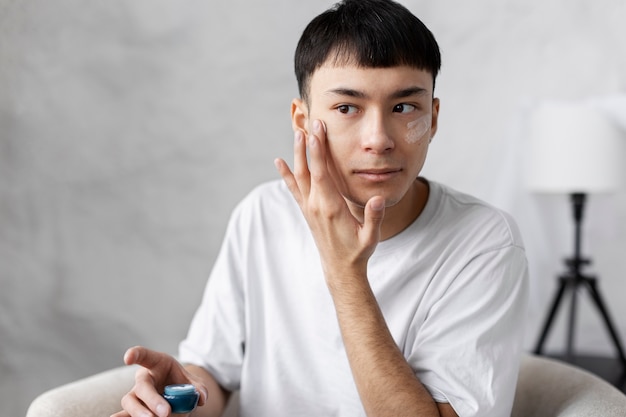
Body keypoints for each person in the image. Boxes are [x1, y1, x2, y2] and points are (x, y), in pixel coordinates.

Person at [113, 0, 528, 416]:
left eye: (404, 107)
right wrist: (183, 397)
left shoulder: (485, 243)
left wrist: (346, 274)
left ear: (433, 119)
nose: (378, 139)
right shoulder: (262, 215)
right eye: (347, 108)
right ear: (302, 120)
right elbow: (214, 374)